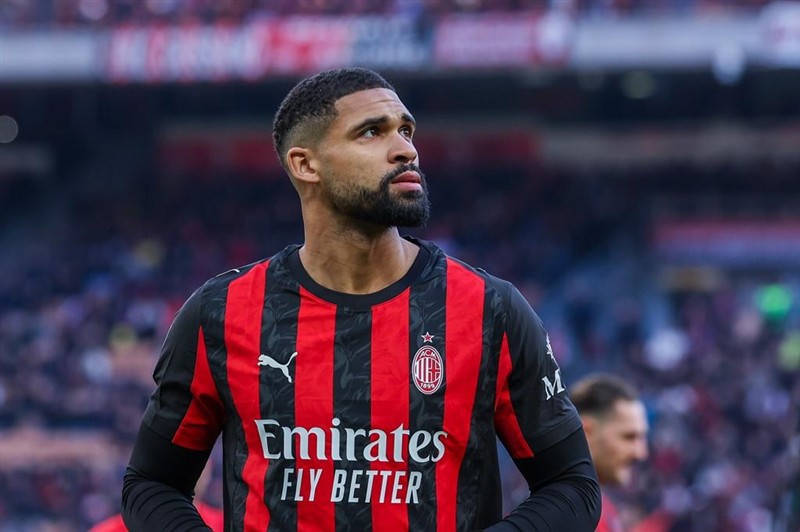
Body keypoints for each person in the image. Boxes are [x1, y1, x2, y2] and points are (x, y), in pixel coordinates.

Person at [121, 67, 600, 531]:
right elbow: (151, 484)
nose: (405, 149)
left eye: (406, 130)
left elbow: (572, 486)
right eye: (372, 132)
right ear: (306, 165)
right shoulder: (221, 312)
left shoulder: (491, 310)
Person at [571, 374, 649, 532]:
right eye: (629, 437)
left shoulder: (600, 511)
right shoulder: (567, 515)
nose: (641, 453)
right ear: (587, 432)